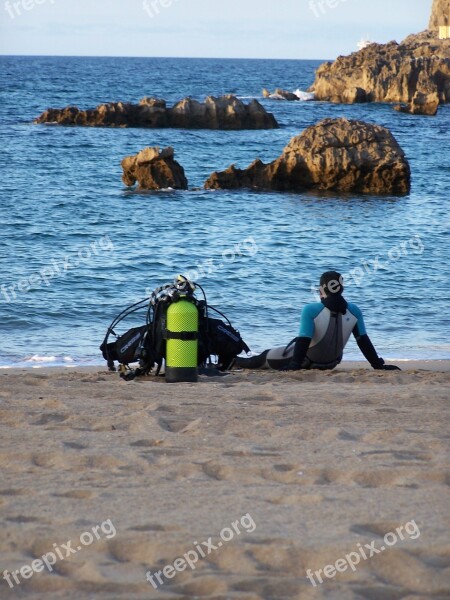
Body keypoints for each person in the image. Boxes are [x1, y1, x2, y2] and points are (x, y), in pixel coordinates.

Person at [235, 271, 401, 371]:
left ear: (322, 289)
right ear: (341, 288)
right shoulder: (354, 311)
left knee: (261, 358)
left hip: (307, 361)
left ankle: (232, 361)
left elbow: (304, 340)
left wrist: (294, 365)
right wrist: (378, 365)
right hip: (332, 363)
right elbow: (363, 341)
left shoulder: (311, 310)